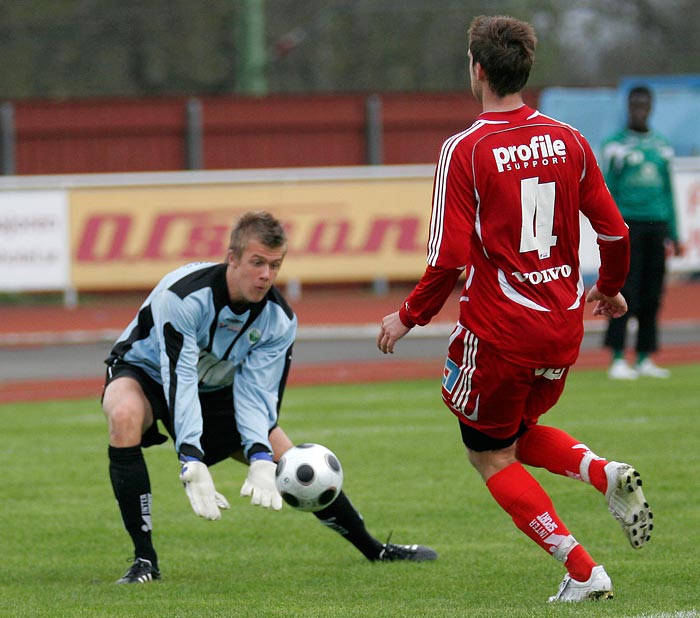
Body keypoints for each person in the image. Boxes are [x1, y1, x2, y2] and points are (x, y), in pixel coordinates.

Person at [377, 15, 652, 603]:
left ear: (477, 69)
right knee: (516, 434)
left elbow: (448, 260)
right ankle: (601, 473)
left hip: (501, 331)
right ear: (525, 69)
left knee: (486, 452)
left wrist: (406, 316)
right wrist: (609, 286)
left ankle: (583, 571)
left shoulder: (464, 149)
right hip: (560, 329)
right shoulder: (570, 140)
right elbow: (615, 231)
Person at [103, 210, 437, 584]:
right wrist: (190, 456)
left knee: (296, 465)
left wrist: (261, 455)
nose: (265, 275)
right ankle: (145, 561)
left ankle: (374, 549)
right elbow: (177, 376)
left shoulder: (278, 320)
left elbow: (255, 393)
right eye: (257, 262)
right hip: (147, 371)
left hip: (214, 384)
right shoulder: (184, 298)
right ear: (233, 258)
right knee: (124, 415)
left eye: (274, 265)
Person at [601, 85, 684, 380]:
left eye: (644, 104)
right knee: (626, 291)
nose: (639, 109)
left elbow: (669, 192)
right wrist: (609, 230)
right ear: (628, 107)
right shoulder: (615, 145)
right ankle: (618, 357)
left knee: (652, 294)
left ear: (650, 107)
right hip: (629, 227)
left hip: (657, 224)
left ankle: (645, 356)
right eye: (634, 104)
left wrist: (675, 233)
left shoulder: (661, 146)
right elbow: (604, 192)